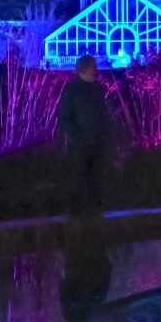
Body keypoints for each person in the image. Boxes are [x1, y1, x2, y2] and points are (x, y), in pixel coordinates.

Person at [56, 54, 111, 214]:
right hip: (80, 145)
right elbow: (65, 118)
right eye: (94, 67)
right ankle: (79, 212)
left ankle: (94, 210)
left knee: (95, 178)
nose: (97, 70)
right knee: (80, 180)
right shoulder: (72, 90)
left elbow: (102, 114)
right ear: (85, 69)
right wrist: (79, 135)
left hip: (96, 143)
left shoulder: (97, 89)